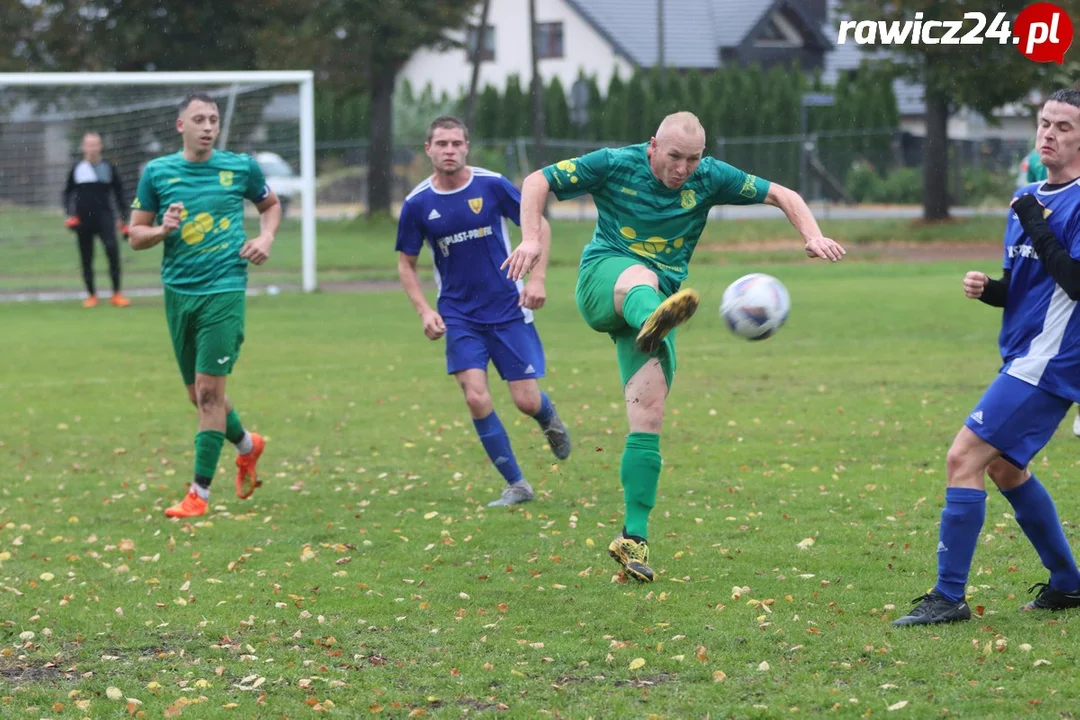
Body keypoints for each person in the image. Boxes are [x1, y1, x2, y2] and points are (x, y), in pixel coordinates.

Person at [502, 111, 846, 582]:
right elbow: (536, 180)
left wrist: (812, 235)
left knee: (648, 418)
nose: (684, 168)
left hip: (659, 303)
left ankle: (633, 539)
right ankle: (653, 318)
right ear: (652, 147)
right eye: (675, 156)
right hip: (606, 281)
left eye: (694, 158)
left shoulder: (709, 176)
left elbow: (782, 194)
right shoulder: (614, 163)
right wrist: (530, 239)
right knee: (638, 278)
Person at [893, 89, 1080, 627]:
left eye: (1063, 127)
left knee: (963, 458)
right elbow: (1034, 285)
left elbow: (1076, 281)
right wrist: (992, 289)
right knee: (1002, 465)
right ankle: (1068, 584)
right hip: (1024, 355)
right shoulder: (1026, 196)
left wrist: (1036, 220)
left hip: (1053, 362)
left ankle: (948, 597)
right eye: (1044, 123)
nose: (1048, 133)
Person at [395, 116, 572, 508]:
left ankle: (547, 417)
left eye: (456, 143)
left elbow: (538, 224)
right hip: (459, 315)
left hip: (509, 307)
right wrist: (425, 311)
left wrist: (537, 280)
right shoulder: (417, 204)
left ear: (467, 147)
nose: (449, 150)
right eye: (441, 144)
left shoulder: (491, 186)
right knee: (476, 398)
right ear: (428, 149)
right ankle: (517, 485)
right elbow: (406, 263)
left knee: (526, 401)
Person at [127, 91, 282, 518]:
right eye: (199, 119)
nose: (208, 126)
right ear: (181, 125)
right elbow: (135, 235)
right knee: (199, 397)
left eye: (213, 118)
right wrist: (163, 229)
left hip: (225, 289)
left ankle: (199, 494)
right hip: (178, 293)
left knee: (211, 393)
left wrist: (265, 237)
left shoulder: (240, 167)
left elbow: (270, 205)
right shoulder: (158, 173)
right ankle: (249, 446)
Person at [63, 132, 130, 308]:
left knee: (112, 252)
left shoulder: (108, 167)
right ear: (83, 147)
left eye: (95, 144)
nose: (92, 148)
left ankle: (116, 294)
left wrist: (124, 218)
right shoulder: (77, 168)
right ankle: (91, 295)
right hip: (83, 220)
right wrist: (70, 215)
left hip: (105, 218)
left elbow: (120, 193)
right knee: (86, 257)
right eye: (89, 144)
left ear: (100, 146)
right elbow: (67, 193)